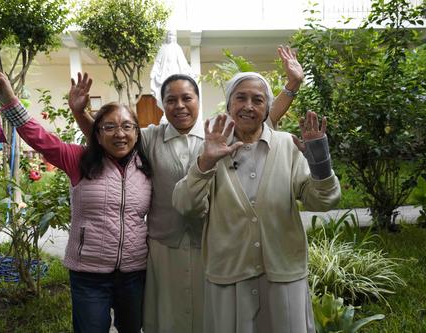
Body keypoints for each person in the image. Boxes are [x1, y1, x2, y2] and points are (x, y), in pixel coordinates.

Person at [70, 46, 304, 333]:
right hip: (164, 243)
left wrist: (292, 85)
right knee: (168, 317)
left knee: (209, 317)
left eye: (186, 98)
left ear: (197, 100)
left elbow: (261, 117)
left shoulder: (217, 132)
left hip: (209, 241)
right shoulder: (151, 137)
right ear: (162, 104)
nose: (179, 105)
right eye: (171, 100)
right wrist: (80, 113)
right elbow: (111, 136)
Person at [172, 72, 341, 333]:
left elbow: (321, 201)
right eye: (241, 98)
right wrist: (205, 162)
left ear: (266, 109)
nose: (249, 106)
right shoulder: (211, 147)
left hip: (282, 272)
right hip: (230, 274)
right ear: (229, 106)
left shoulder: (286, 145)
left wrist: (320, 161)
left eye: (258, 100)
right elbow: (185, 205)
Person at [0, 71, 152, 333]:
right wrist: (7, 97)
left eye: (127, 126)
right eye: (109, 127)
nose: (119, 134)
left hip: (134, 274)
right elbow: (38, 137)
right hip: (89, 275)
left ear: (137, 132)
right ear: (97, 135)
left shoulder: (147, 164)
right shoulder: (78, 159)